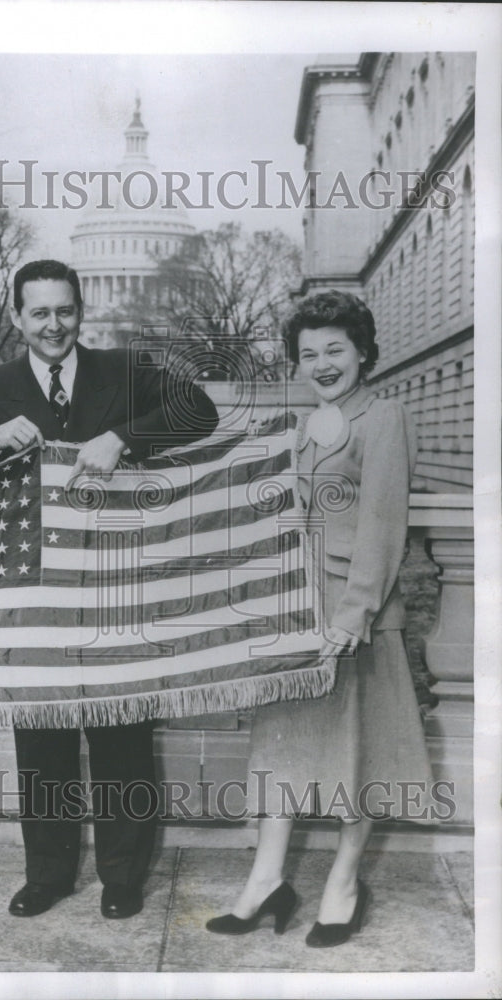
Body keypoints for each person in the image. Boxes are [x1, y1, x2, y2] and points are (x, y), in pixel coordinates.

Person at [0, 259, 219, 920]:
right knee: (40, 736)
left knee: (122, 732)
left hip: (116, 586)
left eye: (64, 310)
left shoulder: (125, 370)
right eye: (38, 312)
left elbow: (202, 411)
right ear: (16, 316)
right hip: (30, 589)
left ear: (81, 309)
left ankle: (122, 876)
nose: (53, 324)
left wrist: (124, 437)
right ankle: (47, 874)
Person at [205, 290, 434, 947]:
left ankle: (343, 883)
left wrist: (357, 612)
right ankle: (267, 880)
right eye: (309, 354)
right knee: (283, 751)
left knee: (356, 758)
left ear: (364, 351)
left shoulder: (383, 416)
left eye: (336, 349)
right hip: (298, 618)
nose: (323, 363)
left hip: (353, 621)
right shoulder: (308, 425)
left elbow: (383, 522)